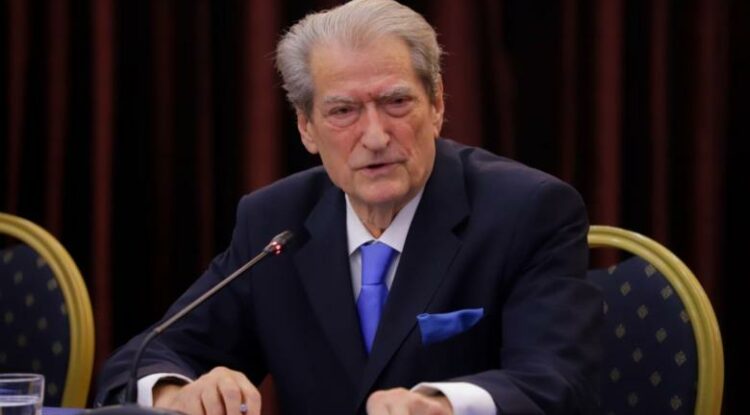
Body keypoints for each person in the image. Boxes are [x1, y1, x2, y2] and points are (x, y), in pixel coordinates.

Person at [95, 0, 602, 414]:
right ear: (306, 128)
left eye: (396, 103)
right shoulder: (275, 221)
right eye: (343, 111)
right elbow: (143, 359)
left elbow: (558, 381)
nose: (375, 136)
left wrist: (444, 406)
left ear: (437, 105)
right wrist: (177, 395)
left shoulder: (528, 211)